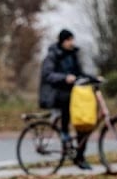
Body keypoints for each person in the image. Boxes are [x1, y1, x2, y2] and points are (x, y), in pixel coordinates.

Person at [39, 29, 93, 170]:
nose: (71, 43)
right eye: (69, 40)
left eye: (72, 40)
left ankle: (80, 156)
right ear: (62, 41)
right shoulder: (52, 56)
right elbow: (47, 75)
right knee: (66, 104)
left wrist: (93, 79)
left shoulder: (74, 55)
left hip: (75, 95)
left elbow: (79, 73)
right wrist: (64, 78)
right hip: (56, 94)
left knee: (83, 123)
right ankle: (64, 133)